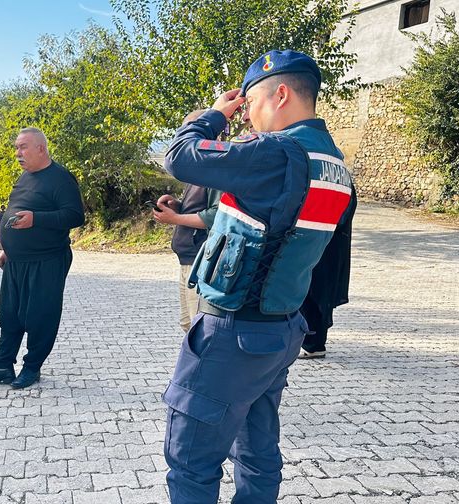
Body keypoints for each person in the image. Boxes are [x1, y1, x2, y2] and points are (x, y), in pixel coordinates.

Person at [161, 50, 355, 503]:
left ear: (281, 93)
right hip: (279, 327)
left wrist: (209, 116)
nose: (245, 114)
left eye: (248, 103)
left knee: (191, 459)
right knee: (257, 451)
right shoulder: (333, 162)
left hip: (233, 330)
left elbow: (180, 156)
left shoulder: (277, 151)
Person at [0, 127, 84, 389]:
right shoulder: (24, 177)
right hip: (15, 261)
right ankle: (2, 366)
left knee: (39, 316)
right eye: (16, 148)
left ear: (41, 149)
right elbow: (13, 211)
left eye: (23, 147)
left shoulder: (61, 178)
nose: (17, 153)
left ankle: (32, 367)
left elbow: (75, 216)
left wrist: (37, 219)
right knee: (9, 315)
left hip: (47, 260)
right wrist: (7, 248)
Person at [152, 184, 221, 333]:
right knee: (188, 324)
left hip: (200, 263)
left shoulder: (214, 173)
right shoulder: (198, 173)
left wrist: (176, 218)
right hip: (186, 260)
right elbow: (198, 209)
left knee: (199, 330)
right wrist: (177, 206)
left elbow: (217, 215)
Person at [298, 187, 357, 358]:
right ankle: (314, 342)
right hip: (333, 240)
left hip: (319, 240)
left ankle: (313, 343)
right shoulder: (340, 175)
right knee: (320, 291)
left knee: (313, 290)